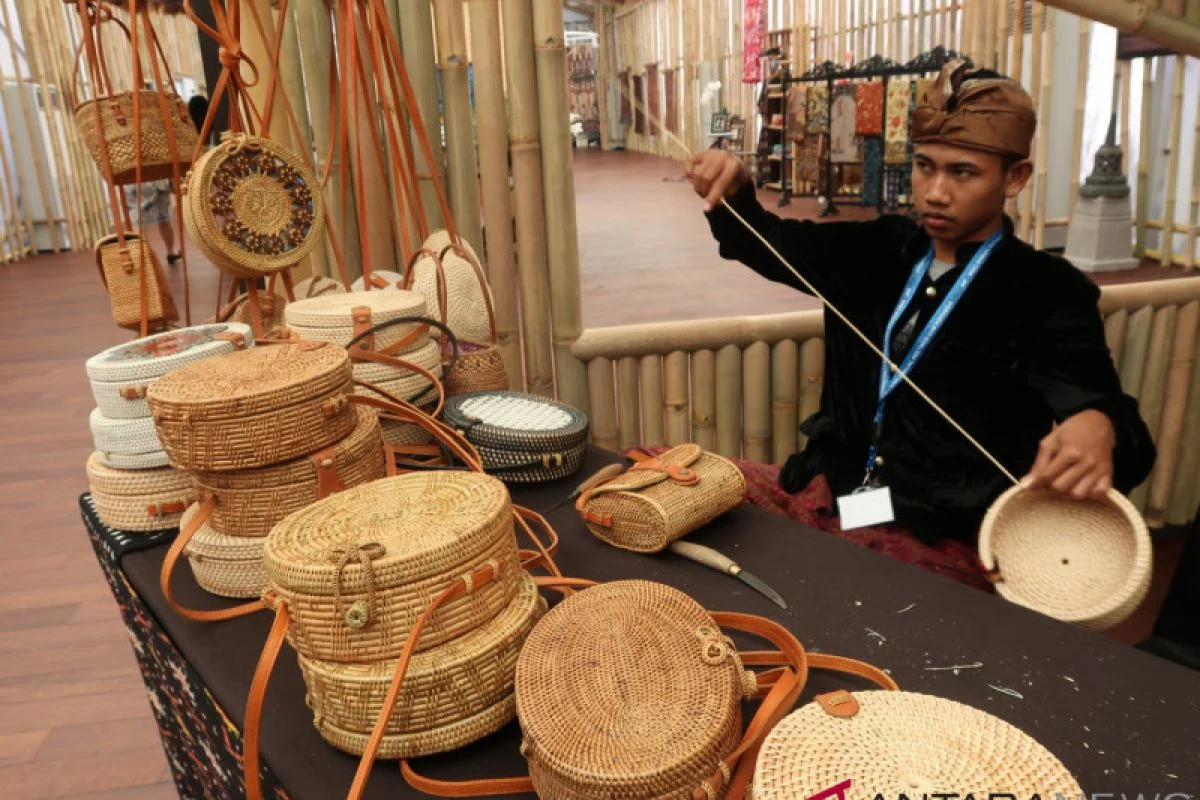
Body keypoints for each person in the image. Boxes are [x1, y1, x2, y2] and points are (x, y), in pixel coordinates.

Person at [686, 61, 1155, 549]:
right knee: (663, 483)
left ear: (1015, 177)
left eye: (962, 173)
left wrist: (1097, 427)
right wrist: (735, 190)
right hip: (833, 492)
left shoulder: (1048, 291)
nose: (935, 193)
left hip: (944, 532)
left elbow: (1121, 431)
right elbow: (767, 242)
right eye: (924, 166)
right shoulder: (877, 249)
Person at [124, 178, 181, 265]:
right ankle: (170, 252)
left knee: (138, 223)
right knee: (164, 220)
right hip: (156, 179)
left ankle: (142, 257)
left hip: (133, 182)